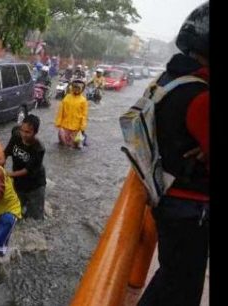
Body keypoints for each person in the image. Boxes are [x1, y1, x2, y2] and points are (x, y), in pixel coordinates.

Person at [138, 3, 209, 306]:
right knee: (182, 288)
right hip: (189, 208)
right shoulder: (201, 96)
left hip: (165, 194)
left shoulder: (168, 80)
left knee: (172, 277)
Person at [4, 115, 46, 220]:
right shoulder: (16, 136)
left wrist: (7, 174)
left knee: (35, 219)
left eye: (28, 132)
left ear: (35, 133)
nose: (24, 134)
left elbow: (26, 171)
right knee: (15, 213)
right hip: (18, 183)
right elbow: (5, 154)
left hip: (35, 185)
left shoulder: (38, 148)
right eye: (22, 130)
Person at [55, 78, 89, 149]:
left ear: (81, 89)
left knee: (74, 147)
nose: (76, 89)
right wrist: (58, 123)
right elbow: (61, 111)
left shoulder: (83, 101)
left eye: (78, 88)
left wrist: (82, 127)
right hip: (65, 127)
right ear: (72, 87)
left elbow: (84, 115)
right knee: (63, 146)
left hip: (76, 128)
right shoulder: (67, 98)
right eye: (75, 87)